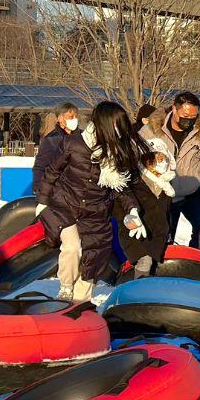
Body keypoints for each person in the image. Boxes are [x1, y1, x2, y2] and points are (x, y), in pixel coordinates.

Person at [37, 101, 147, 301]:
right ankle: (65, 286)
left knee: (96, 257)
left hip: (96, 212)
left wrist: (133, 210)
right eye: (116, 126)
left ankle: (81, 302)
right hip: (66, 206)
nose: (120, 131)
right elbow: (52, 172)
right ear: (104, 124)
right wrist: (43, 200)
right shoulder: (74, 143)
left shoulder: (117, 151)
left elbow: (121, 188)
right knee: (72, 247)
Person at [143, 92, 200, 249]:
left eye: (193, 116)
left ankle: (196, 263)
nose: (189, 121)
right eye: (185, 115)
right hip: (163, 193)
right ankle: (164, 268)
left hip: (191, 193)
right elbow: (137, 156)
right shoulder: (152, 130)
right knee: (166, 235)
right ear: (174, 109)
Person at [114, 150, 175, 279]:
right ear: (148, 162)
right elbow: (120, 208)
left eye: (164, 159)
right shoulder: (134, 182)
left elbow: (166, 213)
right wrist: (130, 222)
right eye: (158, 160)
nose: (162, 163)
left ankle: (145, 290)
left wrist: (167, 231)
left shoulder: (166, 188)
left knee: (152, 265)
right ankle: (139, 292)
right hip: (136, 235)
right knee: (145, 262)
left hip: (156, 236)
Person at [33, 103, 79, 205]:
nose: (74, 120)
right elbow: (40, 166)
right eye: (71, 117)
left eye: (76, 116)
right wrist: (39, 189)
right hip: (59, 191)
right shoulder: (51, 139)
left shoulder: (82, 137)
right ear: (60, 118)